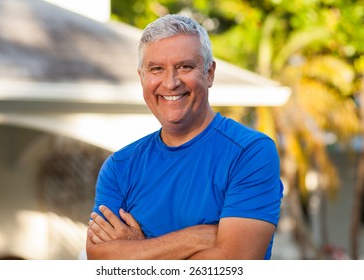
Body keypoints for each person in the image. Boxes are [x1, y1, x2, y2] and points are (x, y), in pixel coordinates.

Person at [86, 14, 283, 260]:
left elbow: (233, 264)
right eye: (157, 69)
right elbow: (100, 261)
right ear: (142, 78)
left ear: (209, 73)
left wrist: (136, 250)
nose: (170, 83)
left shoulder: (250, 153)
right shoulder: (119, 167)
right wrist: (197, 238)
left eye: (184, 67)